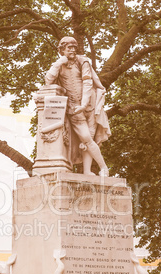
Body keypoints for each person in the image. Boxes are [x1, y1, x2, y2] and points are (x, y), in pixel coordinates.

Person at [45, 36, 111, 177]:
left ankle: (87, 171)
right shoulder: (60, 65)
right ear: (62, 49)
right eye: (69, 48)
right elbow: (48, 80)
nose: (73, 50)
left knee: (89, 141)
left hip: (90, 105)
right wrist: (59, 62)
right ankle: (104, 167)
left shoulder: (83, 61)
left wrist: (84, 104)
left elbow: (88, 82)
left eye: (74, 47)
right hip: (73, 108)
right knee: (86, 138)